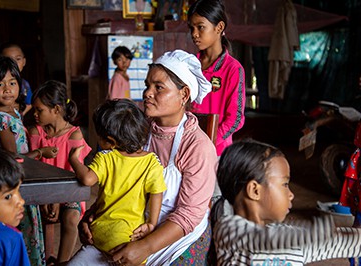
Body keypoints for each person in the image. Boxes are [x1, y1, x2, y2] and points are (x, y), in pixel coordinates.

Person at [74, 49, 217, 265]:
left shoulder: (197, 146)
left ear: (184, 95)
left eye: (158, 87)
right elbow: (116, 179)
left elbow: (188, 215)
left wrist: (145, 246)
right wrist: (91, 215)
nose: (148, 93)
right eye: (148, 86)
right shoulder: (136, 130)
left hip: (175, 236)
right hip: (130, 225)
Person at [212, 139, 361, 265]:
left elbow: (339, 242)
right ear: (255, 191)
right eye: (284, 184)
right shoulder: (228, 229)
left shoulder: (294, 244)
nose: (291, 195)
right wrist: (319, 231)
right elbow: (267, 237)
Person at [68, 98, 166, 265]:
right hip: (129, 238)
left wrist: (74, 159)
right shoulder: (152, 162)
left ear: (110, 141)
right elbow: (157, 193)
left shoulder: (106, 157)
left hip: (98, 237)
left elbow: (87, 178)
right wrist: (151, 224)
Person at [0, 55, 57, 266]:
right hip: (15, 183)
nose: (7, 89)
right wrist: (41, 153)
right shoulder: (1, 120)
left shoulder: (12, 113)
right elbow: (13, 157)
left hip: (20, 181)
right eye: (0, 84)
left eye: (12, 83)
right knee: (23, 230)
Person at [29, 80, 92, 264]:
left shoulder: (74, 135)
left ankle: (62, 262)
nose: (35, 114)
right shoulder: (35, 132)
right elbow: (32, 170)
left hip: (69, 191)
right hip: (40, 190)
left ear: (56, 109)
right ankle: (41, 259)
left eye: (39, 110)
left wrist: (56, 198)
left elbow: (76, 174)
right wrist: (47, 199)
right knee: (33, 216)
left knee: (71, 217)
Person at [188, 0, 246, 156]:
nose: (194, 34)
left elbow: (236, 118)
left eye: (200, 27)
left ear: (219, 27)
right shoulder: (189, 65)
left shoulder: (233, 69)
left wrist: (210, 140)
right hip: (187, 146)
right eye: (191, 28)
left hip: (216, 151)